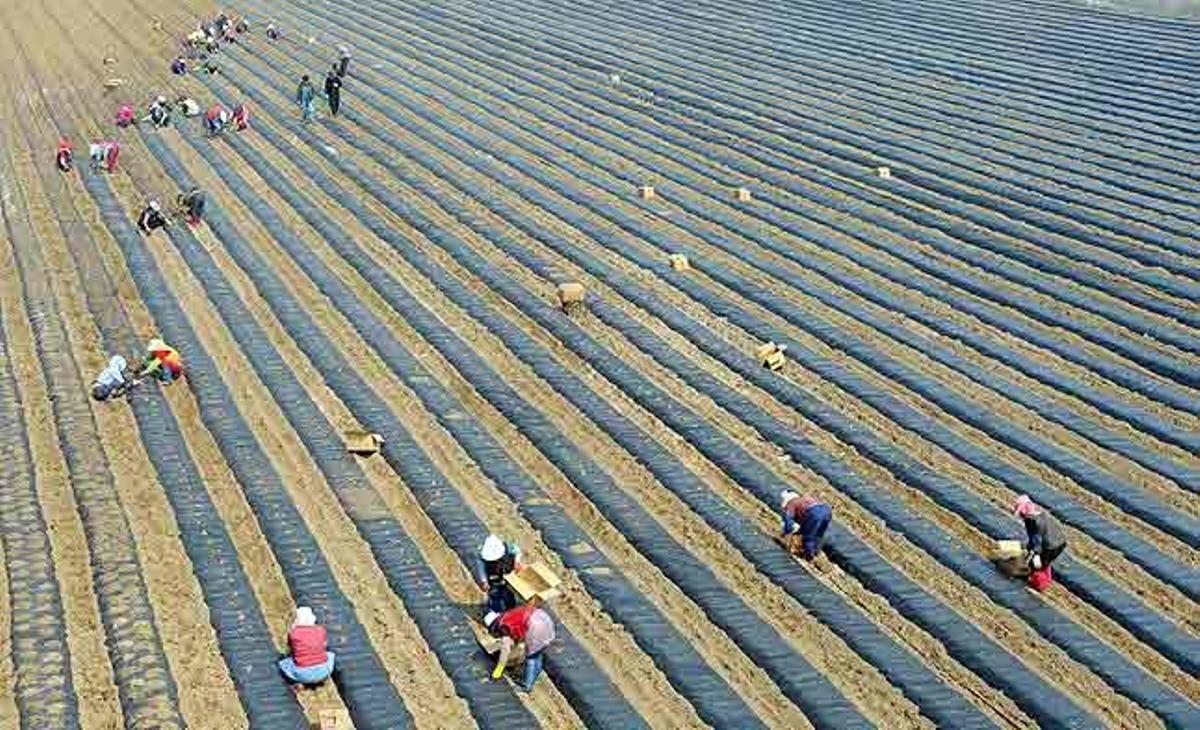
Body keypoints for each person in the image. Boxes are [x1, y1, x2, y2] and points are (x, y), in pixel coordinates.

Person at [485, 597, 555, 692]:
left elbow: (506, 649)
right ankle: (534, 677)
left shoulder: (504, 626)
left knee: (531, 658)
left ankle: (526, 686)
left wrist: (499, 668)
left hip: (535, 627)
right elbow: (518, 633)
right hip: (544, 620)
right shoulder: (508, 615)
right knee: (538, 654)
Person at [1014, 495, 1066, 592]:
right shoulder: (1041, 514)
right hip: (1060, 542)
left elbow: (1036, 541)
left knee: (1035, 565)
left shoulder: (1031, 521)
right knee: (1045, 561)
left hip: (1051, 546)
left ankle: (1040, 585)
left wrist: (1032, 554)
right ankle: (1047, 579)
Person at [278, 606, 335, 685]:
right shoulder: (320, 630)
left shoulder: (293, 633)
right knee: (330, 654)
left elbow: (290, 649)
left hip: (302, 675)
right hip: (324, 671)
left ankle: (298, 679)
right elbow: (324, 646)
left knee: (283, 663)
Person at [779, 490, 832, 561]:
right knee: (818, 535)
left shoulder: (791, 503)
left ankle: (810, 557)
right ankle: (816, 553)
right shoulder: (804, 499)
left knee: (808, 537)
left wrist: (786, 531)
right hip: (826, 510)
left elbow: (788, 518)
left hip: (814, 513)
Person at [475, 534, 522, 614]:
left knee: (508, 593)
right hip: (493, 577)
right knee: (495, 594)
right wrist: (484, 581)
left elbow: (518, 551)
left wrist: (517, 562)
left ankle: (511, 609)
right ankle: (498, 613)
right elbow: (481, 569)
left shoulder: (510, 548)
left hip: (507, 573)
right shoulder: (481, 556)